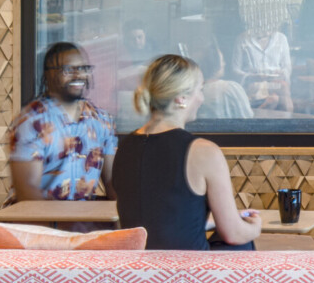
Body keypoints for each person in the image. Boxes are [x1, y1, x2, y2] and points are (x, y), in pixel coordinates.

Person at [112, 54, 264, 250]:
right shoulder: (203, 152)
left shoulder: (125, 147)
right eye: (199, 90)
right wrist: (255, 227)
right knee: (242, 244)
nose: (201, 98)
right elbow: (233, 233)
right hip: (187, 274)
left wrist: (209, 222)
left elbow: (155, 220)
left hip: (136, 271)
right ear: (181, 98)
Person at [7, 42, 118, 202]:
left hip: (84, 222)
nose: (78, 75)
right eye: (68, 69)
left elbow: (111, 182)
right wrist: (63, 224)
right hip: (35, 223)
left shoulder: (102, 121)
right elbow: (27, 191)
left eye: (83, 68)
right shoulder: (31, 122)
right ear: (48, 75)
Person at [235, 22, 294, 112]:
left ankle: (268, 111)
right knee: (279, 94)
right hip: (252, 84)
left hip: (274, 82)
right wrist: (252, 77)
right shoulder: (242, 39)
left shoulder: (281, 38)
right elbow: (235, 70)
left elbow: (287, 67)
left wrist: (281, 73)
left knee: (281, 89)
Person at [195, 44, 254, 121]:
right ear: (215, 63)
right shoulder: (231, 88)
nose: (224, 64)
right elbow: (247, 117)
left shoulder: (194, 91)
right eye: (222, 60)